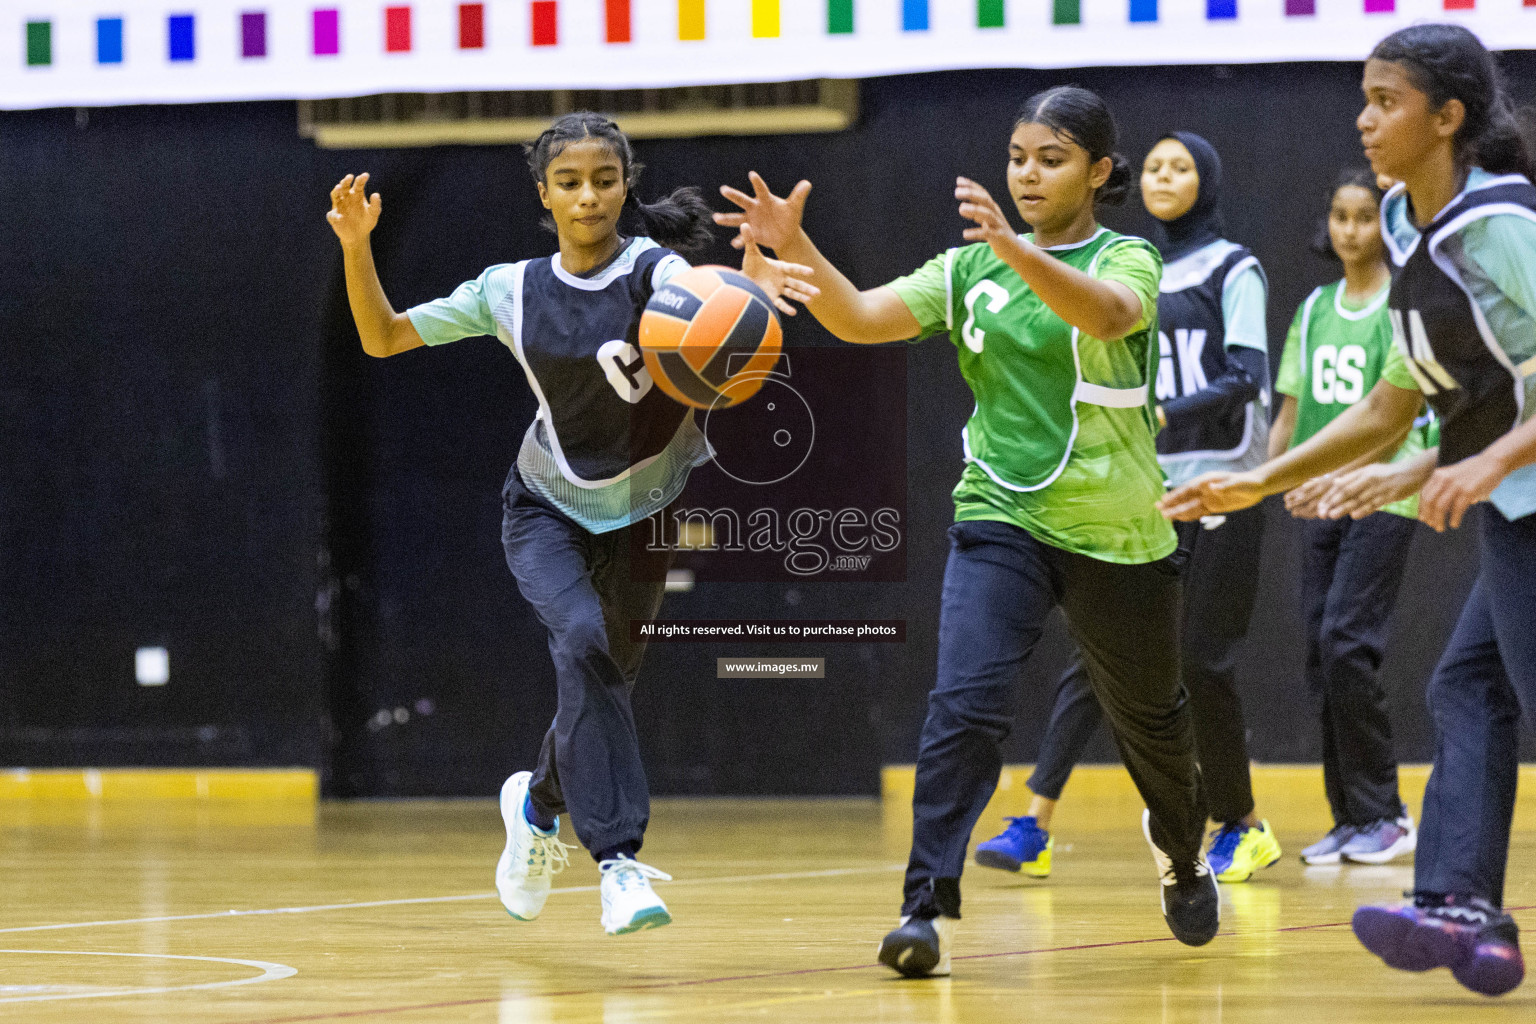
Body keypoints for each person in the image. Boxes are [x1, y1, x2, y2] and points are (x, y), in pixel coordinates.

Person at [716, 85, 1217, 978]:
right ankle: (924, 907)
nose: (1028, 173)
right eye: (1020, 156)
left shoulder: (1129, 255)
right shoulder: (967, 270)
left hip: (1119, 531)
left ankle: (1181, 852)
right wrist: (799, 251)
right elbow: (862, 317)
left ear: (1100, 173)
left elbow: (1105, 316)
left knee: (1155, 724)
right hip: (1000, 514)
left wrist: (1016, 251)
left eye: (1051, 158)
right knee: (965, 706)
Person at [325, 112, 816, 936]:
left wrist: (744, 302)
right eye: (569, 182)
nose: (588, 196)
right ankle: (618, 862)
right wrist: (356, 245)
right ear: (543, 193)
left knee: (601, 682)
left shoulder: (659, 273)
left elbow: (701, 303)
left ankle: (536, 808)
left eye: (604, 179)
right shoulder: (508, 290)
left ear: (627, 185)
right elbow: (381, 338)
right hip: (547, 509)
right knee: (585, 644)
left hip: (646, 514)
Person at [1159, 24, 1536, 996]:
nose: (1366, 120)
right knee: (1470, 688)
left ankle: (1462, 904)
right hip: (1517, 501)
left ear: (1448, 117)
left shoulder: (1498, 222)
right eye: (1363, 98)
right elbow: (1395, 402)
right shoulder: (1417, 231)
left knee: (1488, 690)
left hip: (1526, 499)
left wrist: (1482, 457)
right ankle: (1464, 912)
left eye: (1387, 101)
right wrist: (1262, 481)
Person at [976, 132, 1280, 884]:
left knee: (1203, 662)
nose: (1163, 177)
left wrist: (1165, 412)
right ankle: (1035, 824)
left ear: (1205, 180)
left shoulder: (1235, 265)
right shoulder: (1128, 265)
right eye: (1154, 167)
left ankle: (1243, 823)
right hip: (1147, 487)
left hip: (1222, 483)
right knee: (1093, 657)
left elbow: (1246, 377)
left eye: (1180, 167)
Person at [1271, 170, 1428, 867]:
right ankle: (1350, 816)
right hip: (1317, 500)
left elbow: (1395, 419)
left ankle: (1387, 813)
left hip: (1382, 494)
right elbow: (1288, 416)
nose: (1351, 229)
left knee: (1346, 642)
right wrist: (1255, 483)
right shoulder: (1313, 310)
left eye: (1364, 216)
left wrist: (1345, 476)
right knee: (1318, 651)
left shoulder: (1404, 303)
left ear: (1382, 226)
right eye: (1340, 216)